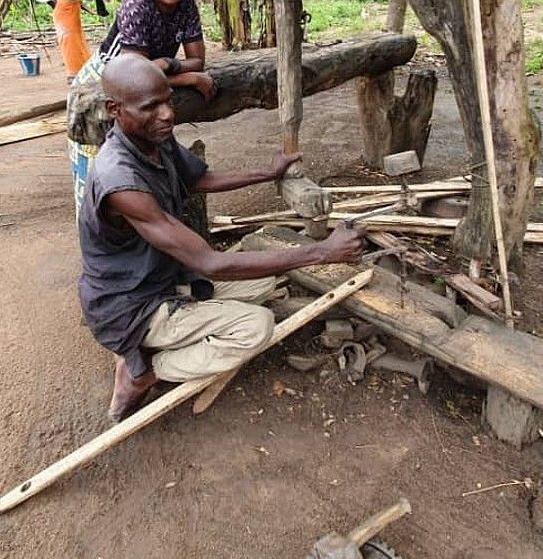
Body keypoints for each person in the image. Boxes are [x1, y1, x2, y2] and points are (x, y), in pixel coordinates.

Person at [80, 55, 366, 421]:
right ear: (114, 109)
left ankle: (151, 346)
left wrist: (267, 173)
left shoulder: (152, 139)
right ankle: (145, 371)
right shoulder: (119, 180)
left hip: (163, 278)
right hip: (129, 306)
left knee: (264, 280)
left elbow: (199, 180)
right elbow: (209, 263)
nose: (167, 114)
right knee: (256, 327)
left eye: (167, 100)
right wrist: (323, 252)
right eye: (151, 106)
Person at [68, 0, 215, 212]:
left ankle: (151, 223)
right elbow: (134, 75)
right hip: (103, 79)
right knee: (101, 165)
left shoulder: (187, 7)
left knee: (144, 151)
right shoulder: (136, 6)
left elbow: (198, 60)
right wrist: (189, 76)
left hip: (150, 80)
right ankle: (102, 234)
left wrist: (168, 65)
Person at [51, 0, 95, 77]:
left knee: (78, 41)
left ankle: (82, 69)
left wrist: (88, 10)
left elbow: (77, 0)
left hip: (73, 15)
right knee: (70, 44)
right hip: (64, 15)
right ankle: (73, 73)